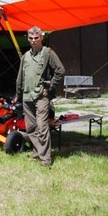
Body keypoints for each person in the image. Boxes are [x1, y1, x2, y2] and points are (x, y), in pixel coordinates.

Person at [15, 26, 65, 167]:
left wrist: (50, 87)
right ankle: (37, 153)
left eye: (36, 38)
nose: (33, 41)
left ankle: (46, 159)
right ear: (28, 39)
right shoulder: (25, 56)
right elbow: (20, 77)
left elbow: (60, 70)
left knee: (42, 127)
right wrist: (18, 94)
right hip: (26, 96)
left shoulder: (48, 53)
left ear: (41, 38)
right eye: (31, 38)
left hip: (41, 96)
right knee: (31, 127)